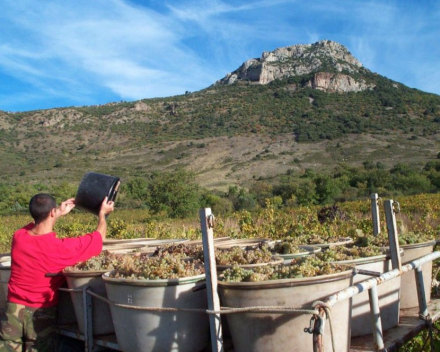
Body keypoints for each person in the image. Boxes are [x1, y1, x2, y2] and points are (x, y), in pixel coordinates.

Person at [0, 193, 114, 351]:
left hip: (12, 309)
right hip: (40, 313)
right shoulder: (60, 249)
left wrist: (57, 212)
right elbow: (98, 238)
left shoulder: (19, 237)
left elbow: (32, 225)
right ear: (51, 212)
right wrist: (103, 215)